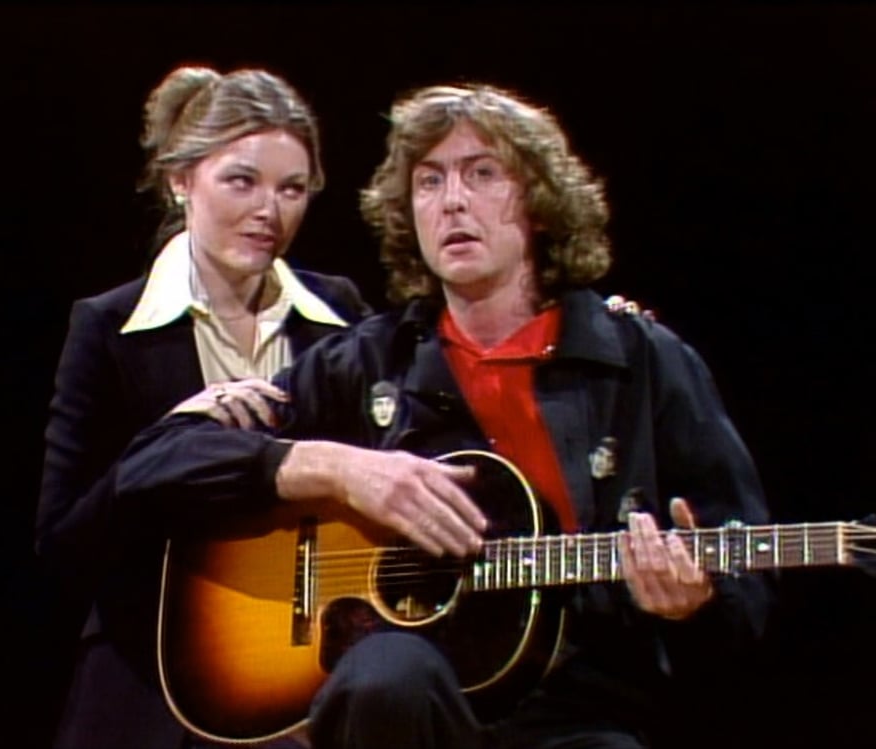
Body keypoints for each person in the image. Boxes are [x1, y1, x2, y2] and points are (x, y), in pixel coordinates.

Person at [116, 82, 772, 749]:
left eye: (482, 174)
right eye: (429, 182)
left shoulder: (644, 361)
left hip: (580, 712)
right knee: (383, 675)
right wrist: (336, 468)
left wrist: (696, 601)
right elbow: (150, 468)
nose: (451, 199)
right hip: (408, 703)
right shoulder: (371, 361)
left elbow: (745, 579)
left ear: (540, 204)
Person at [34, 64, 372, 749]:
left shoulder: (343, 314)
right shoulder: (109, 327)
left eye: (292, 189)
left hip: (304, 667)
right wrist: (173, 438)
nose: (268, 212)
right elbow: (62, 546)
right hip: (151, 666)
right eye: (241, 181)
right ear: (180, 179)